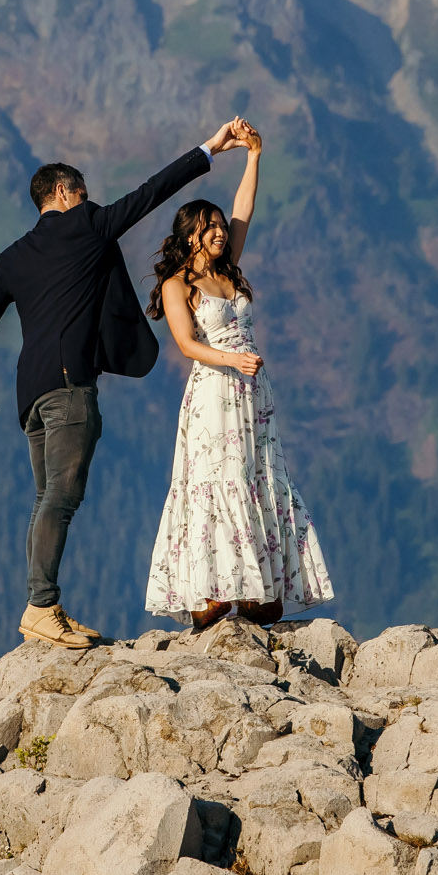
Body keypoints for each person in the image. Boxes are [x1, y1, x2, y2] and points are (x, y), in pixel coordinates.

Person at [0, 119, 256, 649]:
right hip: (71, 389)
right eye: (83, 193)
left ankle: (46, 606)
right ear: (65, 192)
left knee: (46, 498)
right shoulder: (87, 225)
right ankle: (41, 606)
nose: (88, 200)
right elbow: (152, 192)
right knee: (61, 499)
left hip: (30, 395)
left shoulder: (13, 258)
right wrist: (211, 147)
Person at [143, 122, 334, 632]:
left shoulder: (228, 269)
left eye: (219, 226)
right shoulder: (178, 283)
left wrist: (253, 155)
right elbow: (186, 345)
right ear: (191, 236)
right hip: (213, 390)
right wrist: (234, 362)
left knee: (253, 476)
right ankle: (210, 591)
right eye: (209, 227)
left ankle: (254, 588)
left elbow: (245, 208)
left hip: (250, 394)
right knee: (215, 480)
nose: (220, 231)